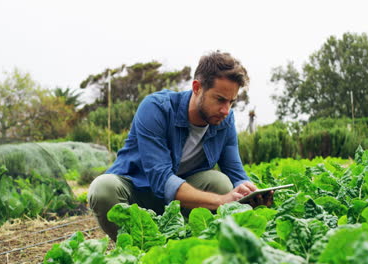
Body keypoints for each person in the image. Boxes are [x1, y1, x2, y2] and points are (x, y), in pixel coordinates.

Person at [88, 51, 273, 240]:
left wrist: (252, 194)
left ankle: (187, 243)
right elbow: (161, 178)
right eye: (220, 99)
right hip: (139, 195)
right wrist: (221, 201)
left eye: (231, 102)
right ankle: (140, 248)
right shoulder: (157, 108)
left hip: (182, 202)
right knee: (103, 188)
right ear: (197, 88)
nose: (226, 110)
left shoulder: (224, 121)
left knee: (220, 182)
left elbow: (236, 172)